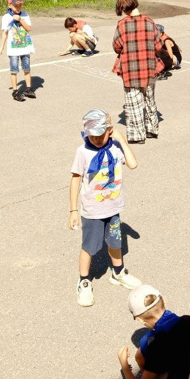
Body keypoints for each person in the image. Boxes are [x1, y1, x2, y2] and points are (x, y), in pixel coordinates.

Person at [68, 109, 142, 307]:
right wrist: (73, 210)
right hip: (92, 211)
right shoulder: (83, 152)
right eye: (92, 135)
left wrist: (121, 139)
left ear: (109, 131)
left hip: (113, 208)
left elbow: (133, 164)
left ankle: (118, 273)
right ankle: (84, 280)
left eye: (101, 134)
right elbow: (75, 180)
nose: (96, 139)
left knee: (115, 242)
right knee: (89, 247)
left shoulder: (116, 147)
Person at [112, 0, 163, 144]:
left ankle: (137, 135)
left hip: (130, 68)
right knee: (149, 98)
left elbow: (116, 46)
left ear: (123, 8)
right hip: (149, 67)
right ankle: (152, 129)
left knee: (133, 102)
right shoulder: (149, 21)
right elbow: (159, 45)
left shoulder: (122, 25)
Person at [0, 0, 36, 102]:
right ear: (10, 5)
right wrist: (1, 46)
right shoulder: (6, 17)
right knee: (14, 69)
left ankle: (29, 88)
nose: (18, 8)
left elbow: (28, 29)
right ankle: (15, 91)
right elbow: (4, 33)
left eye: (20, 5)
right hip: (13, 49)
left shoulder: (24, 15)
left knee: (27, 68)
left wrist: (20, 19)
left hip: (25, 47)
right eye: (16, 6)